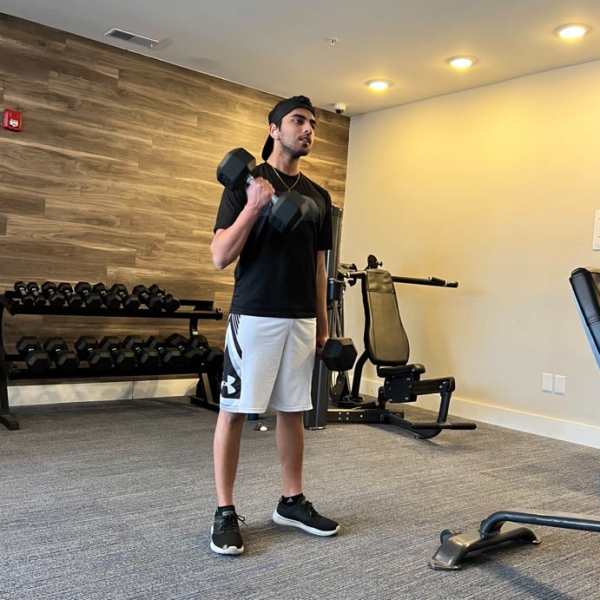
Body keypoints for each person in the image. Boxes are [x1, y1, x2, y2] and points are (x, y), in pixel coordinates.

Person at [209, 95, 339, 555]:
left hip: (301, 318)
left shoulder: (320, 198)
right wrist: (253, 206)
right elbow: (221, 256)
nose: (308, 130)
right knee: (235, 411)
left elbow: (319, 267)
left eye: (313, 124)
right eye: (298, 121)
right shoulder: (246, 184)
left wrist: (324, 326)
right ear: (273, 128)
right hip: (255, 313)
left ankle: (291, 500)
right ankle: (225, 510)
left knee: (291, 410)